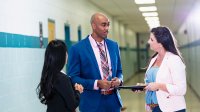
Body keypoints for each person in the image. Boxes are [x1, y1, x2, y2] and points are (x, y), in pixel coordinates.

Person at [67, 12, 123, 112]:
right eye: (103, 25)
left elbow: (119, 71)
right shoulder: (77, 48)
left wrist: (119, 80)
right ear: (93, 26)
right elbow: (73, 78)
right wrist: (96, 83)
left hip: (113, 103)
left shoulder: (114, 46)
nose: (107, 28)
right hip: (91, 105)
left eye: (108, 24)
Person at [144, 26, 186, 112]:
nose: (148, 42)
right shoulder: (153, 59)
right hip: (154, 107)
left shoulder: (174, 59)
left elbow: (181, 89)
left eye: (151, 39)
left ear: (160, 44)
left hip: (172, 108)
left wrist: (158, 86)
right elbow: (152, 81)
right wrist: (143, 87)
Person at [37, 40, 84, 112]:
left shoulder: (49, 75)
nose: (67, 55)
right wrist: (78, 91)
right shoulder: (62, 78)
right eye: (66, 52)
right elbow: (72, 104)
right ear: (61, 57)